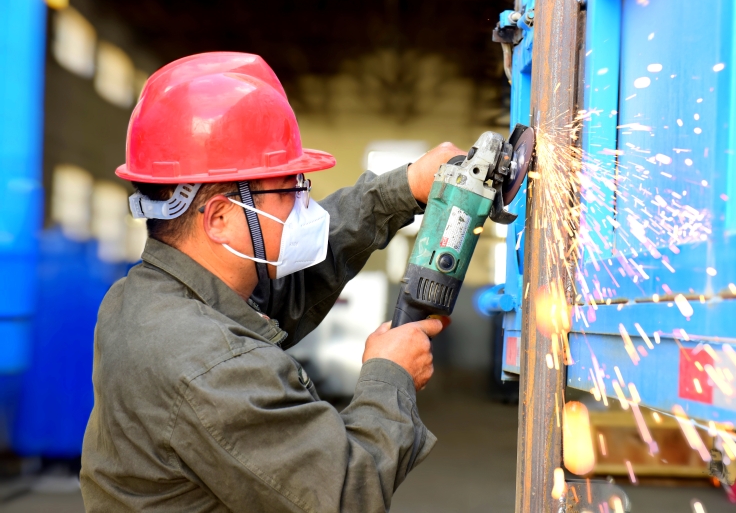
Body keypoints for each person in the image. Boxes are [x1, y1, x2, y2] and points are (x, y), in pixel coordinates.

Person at [80, 52, 465, 512]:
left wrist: (402, 189)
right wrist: (390, 376)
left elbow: (292, 287)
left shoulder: (144, 296)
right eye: (289, 189)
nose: (305, 206)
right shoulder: (211, 364)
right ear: (219, 218)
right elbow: (347, 492)